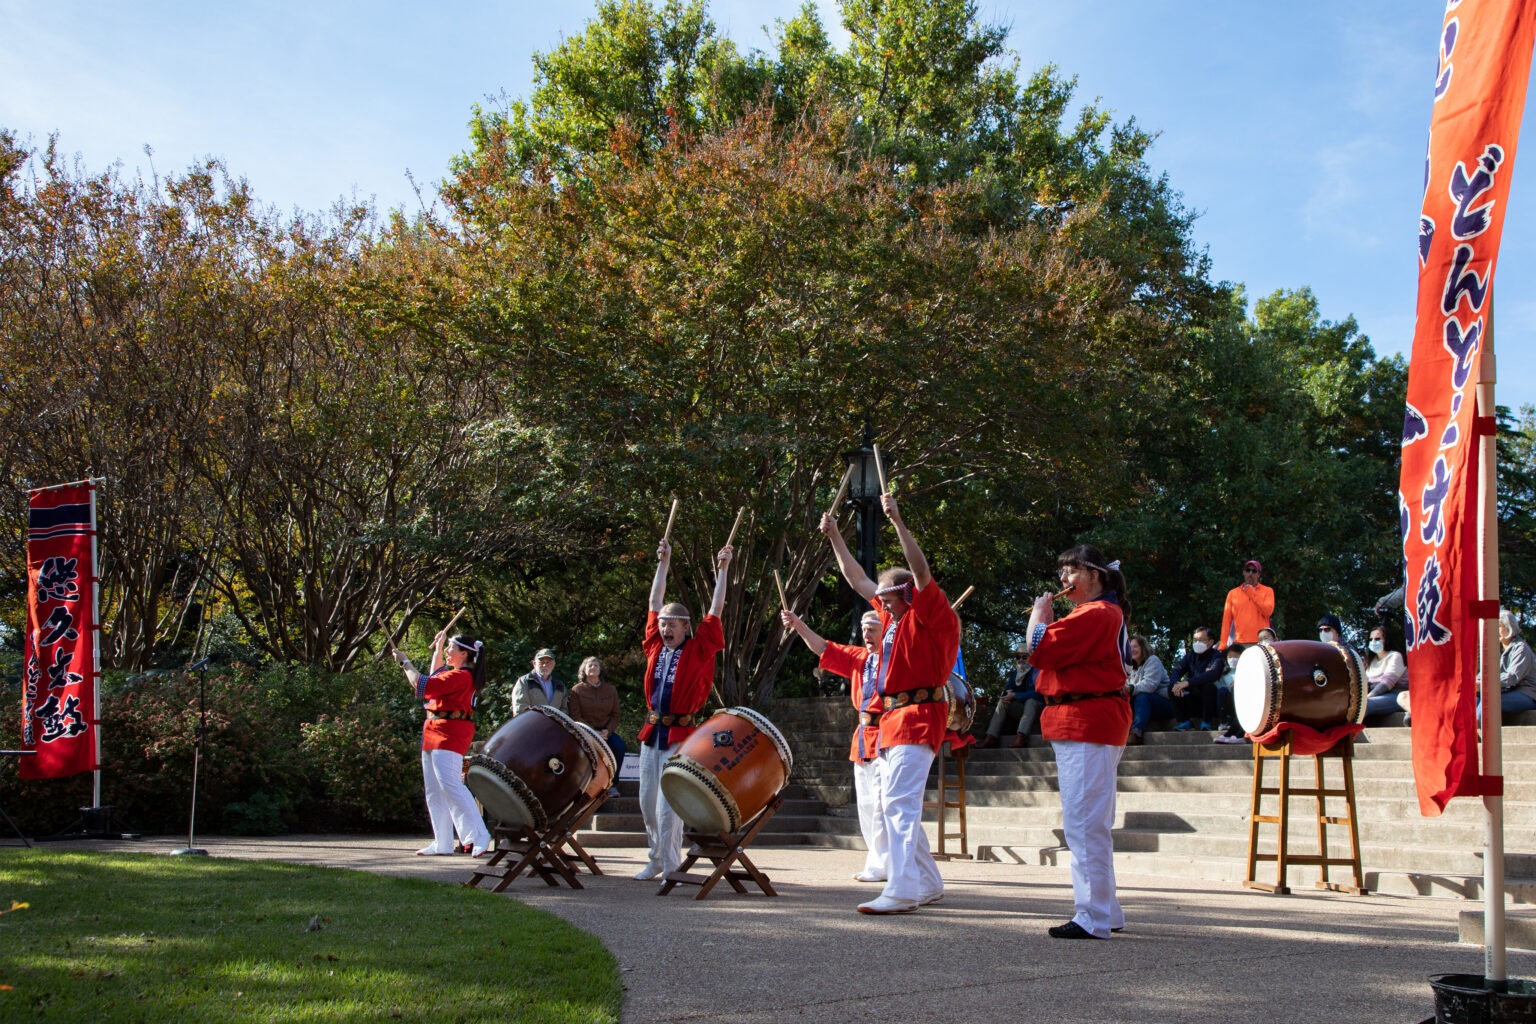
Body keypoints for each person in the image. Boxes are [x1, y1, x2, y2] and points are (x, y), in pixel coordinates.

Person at [822, 493, 959, 915]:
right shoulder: (890, 620)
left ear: (905, 595)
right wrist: (834, 539)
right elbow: (856, 578)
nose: (877, 602)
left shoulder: (930, 615)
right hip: (895, 718)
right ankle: (929, 883)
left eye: (886, 597)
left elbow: (920, 570)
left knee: (898, 802)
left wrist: (898, 520)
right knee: (897, 803)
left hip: (919, 715)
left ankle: (901, 890)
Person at [1027, 544, 1132, 939]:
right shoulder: (1094, 614)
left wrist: (1040, 616)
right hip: (1085, 718)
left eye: (1071, 571)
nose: (1063, 580)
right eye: (1062, 573)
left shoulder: (1098, 613)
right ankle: (1107, 910)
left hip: (1087, 719)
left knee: (1084, 824)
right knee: (1091, 822)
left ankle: (1092, 916)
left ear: (1095, 574)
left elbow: (1039, 648)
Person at [634, 537, 732, 881]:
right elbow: (654, 599)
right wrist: (663, 561)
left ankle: (672, 866)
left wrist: (723, 569)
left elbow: (716, 609)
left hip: (681, 734)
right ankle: (656, 858)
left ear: (685, 626)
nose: (665, 627)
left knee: (667, 805)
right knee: (647, 802)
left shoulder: (700, 648)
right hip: (652, 732)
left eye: (672, 623)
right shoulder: (654, 647)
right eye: (662, 623)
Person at [781, 607, 889, 884]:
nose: (866, 633)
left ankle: (890, 862)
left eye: (872, 628)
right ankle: (877, 861)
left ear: (886, 629)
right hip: (863, 736)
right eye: (864, 628)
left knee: (883, 804)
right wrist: (798, 625)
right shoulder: (858, 658)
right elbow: (823, 648)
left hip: (889, 733)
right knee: (866, 804)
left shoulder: (897, 658)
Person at [391, 630, 492, 858]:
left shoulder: (461, 676)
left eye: (451, 649)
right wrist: (438, 648)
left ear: (464, 654)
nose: (448, 651)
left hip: (450, 731)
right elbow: (434, 676)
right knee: (435, 791)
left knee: (451, 785)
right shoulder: (456, 674)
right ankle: (443, 842)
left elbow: (423, 685)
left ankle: (479, 835)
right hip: (436, 729)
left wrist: (405, 662)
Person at [567, 655, 625, 786]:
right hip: (585, 733)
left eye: (596, 665)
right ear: (584, 670)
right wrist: (592, 732)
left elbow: (616, 714)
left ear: (600, 670)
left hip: (605, 733)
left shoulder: (611, 690)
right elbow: (575, 716)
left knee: (619, 746)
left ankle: (612, 784)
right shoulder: (577, 690)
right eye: (590, 665)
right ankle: (585, 785)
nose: (593, 667)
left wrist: (607, 731)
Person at [977, 642, 1044, 748]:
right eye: (1018, 657)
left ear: (1030, 658)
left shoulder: (1037, 672)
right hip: (1021, 710)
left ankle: (1022, 736)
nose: (1021, 660)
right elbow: (1009, 690)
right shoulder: (1014, 674)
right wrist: (1007, 694)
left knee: (1031, 702)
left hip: (1037, 709)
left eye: (1024, 657)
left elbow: (1038, 693)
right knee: (1003, 702)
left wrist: (1016, 695)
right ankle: (991, 737)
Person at [1170, 627, 1224, 731]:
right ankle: (1184, 721)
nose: (1197, 643)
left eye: (1200, 640)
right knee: (1172, 687)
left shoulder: (1217, 656)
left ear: (1211, 642)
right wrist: (1176, 683)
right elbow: (1177, 670)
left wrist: (1188, 682)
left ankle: (1206, 722)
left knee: (1208, 686)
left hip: (1209, 700)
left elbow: (1213, 674)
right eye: (1195, 640)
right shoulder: (1190, 656)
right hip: (1192, 699)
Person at [1125, 635, 1170, 745]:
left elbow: (1149, 686)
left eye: (1135, 646)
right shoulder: (1131, 668)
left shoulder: (1153, 661)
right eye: (1129, 647)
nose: (1132, 650)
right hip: (1144, 707)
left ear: (1143, 648)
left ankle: (1136, 733)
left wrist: (1129, 689)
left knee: (1142, 696)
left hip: (1164, 704)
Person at [1220, 559, 1275, 649]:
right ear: (1243, 573)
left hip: (1262, 642)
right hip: (1240, 642)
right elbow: (1227, 621)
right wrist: (1223, 643)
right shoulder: (1233, 593)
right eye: (1248, 570)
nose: (1250, 573)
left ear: (1259, 574)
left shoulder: (1268, 591)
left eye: (1254, 571)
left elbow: (1267, 612)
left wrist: (1251, 592)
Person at [1362, 626, 1409, 720]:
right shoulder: (1370, 661)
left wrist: (1368, 697)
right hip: (1378, 697)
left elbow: (1387, 682)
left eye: (1377, 639)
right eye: (1371, 639)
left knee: (1364, 705)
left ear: (1386, 640)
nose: (1373, 642)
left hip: (1396, 696)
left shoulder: (1395, 656)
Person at [1497, 609, 1536, 717]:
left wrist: (1484, 684)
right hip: (1508, 692)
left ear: (1509, 627)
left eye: (1498, 626)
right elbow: (1486, 673)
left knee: (1490, 704)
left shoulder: (1521, 648)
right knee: (1471, 700)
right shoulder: (1497, 649)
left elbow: (1512, 677)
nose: (1493, 630)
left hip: (1527, 693)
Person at [509, 648, 568, 717]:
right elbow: (520, 709)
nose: (545, 665)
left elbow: (564, 711)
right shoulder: (524, 682)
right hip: (532, 725)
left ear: (553, 664)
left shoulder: (560, 686)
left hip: (553, 726)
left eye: (548, 662)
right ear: (534, 663)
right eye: (541, 662)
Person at [1213, 643, 1248, 744]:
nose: (1233, 659)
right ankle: (1227, 724)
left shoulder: (1248, 671)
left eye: (1236, 656)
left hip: (1243, 702)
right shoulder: (1224, 672)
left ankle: (1237, 733)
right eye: (1230, 656)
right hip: (1229, 702)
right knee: (1223, 691)